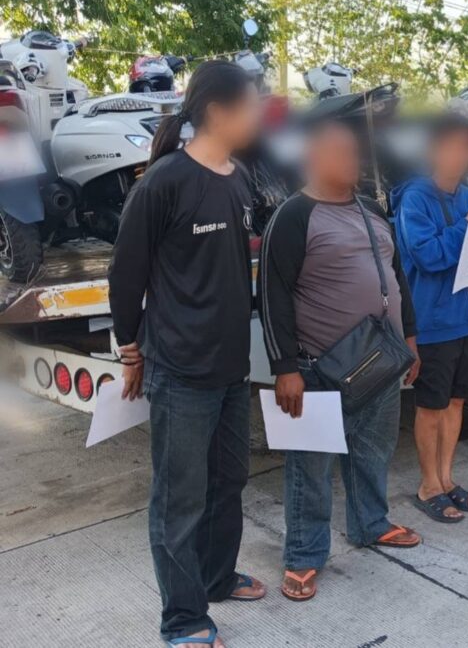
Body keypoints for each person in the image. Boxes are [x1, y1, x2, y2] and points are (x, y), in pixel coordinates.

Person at [108, 60, 266, 647]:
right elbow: (126, 273)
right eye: (250, 106)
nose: (257, 116)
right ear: (220, 112)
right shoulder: (165, 181)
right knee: (179, 501)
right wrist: (131, 350)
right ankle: (183, 619)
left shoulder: (238, 177)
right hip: (180, 369)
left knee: (229, 481)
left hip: (231, 367)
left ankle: (216, 578)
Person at [258, 115, 421, 604]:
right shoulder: (293, 216)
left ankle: (370, 523)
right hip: (317, 369)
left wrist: (411, 339)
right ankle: (304, 554)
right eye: (339, 151)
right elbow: (272, 295)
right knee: (310, 469)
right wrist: (285, 368)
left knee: (373, 452)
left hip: (381, 360)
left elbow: (397, 275)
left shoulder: (371, 208)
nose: (352, 160)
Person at [391, 116, 468, 523]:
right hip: (433, 321)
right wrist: (464, 229)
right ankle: (428, 485)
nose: (456, 154)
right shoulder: (414, 198)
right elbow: (427, 255)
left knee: (456, 402)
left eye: (463, 147)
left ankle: (446, 478)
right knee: (431, 405)